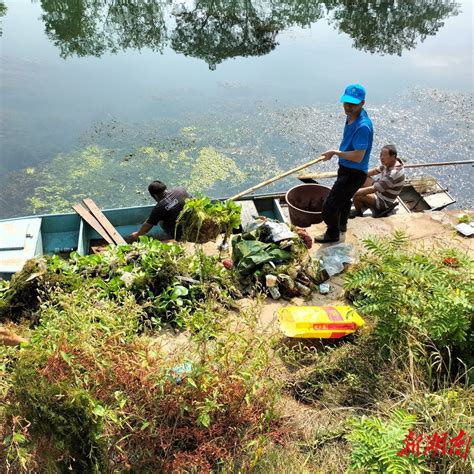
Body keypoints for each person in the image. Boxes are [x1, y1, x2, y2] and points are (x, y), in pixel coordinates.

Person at [314, 83, 374, 243]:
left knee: (329, 207)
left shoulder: (363, 127)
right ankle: (342, 225)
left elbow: (358, 156)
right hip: (346, 169)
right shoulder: (352, 116)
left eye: (353, 104)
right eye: (346, 103)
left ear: (362, 103)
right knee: (344, 201)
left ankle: (332, 234)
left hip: (354, 174)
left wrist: (335, 153)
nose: (348, 107)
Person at [351, 144, 405, 217]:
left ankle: (359, 214)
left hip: (383, 201)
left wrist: (353, 192)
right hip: (380, 190)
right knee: (361, 177)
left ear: (393, 157)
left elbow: (374, 189)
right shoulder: (389, 163)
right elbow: (374, 171)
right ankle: (362, 201)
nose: (381, 158)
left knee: (357, 196)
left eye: (385, 155)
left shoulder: (393, 173)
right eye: (381, 154)